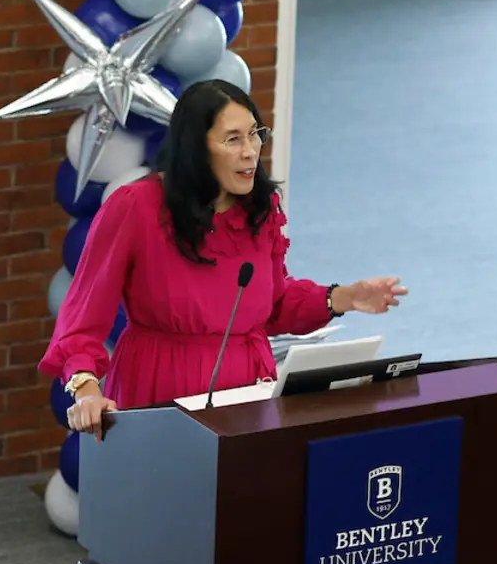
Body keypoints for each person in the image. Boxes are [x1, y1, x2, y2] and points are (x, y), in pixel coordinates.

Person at [39, 79, 408, 440]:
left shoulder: (261, 208)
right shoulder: (135, 206)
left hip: (248, 393)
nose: (250, 151)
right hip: (160, 387)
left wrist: (346, 297)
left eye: (255, 134)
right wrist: (87, 390)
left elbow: (273, 305)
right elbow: (81, 320)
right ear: (195, 147)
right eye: (233, 139)